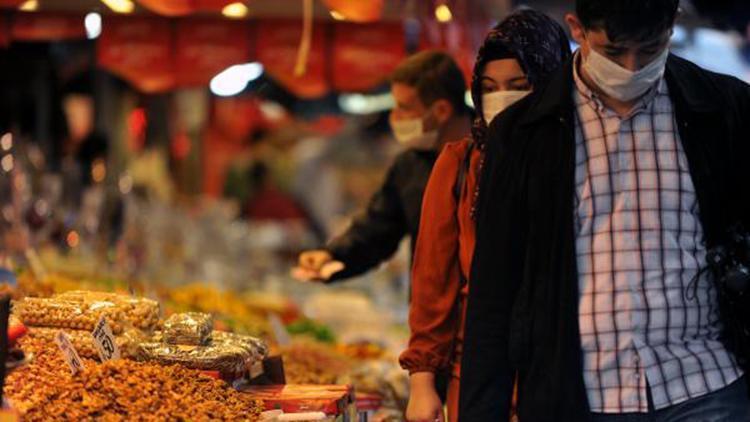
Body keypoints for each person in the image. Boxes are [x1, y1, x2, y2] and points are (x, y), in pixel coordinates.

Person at [459, 0, 750, 421]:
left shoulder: (725, 110)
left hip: (707, 385)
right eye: (614, 52)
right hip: (580, 394)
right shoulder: (522, 133)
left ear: (672, 26)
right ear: (577, 29)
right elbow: (495, 288)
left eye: (649, 50)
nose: (632, 67)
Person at [398, 10, 571, 422]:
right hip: (474, 379)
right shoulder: (461, 163)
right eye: (490, 88)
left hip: (559, 377)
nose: (502, 100)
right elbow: (433, 280)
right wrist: (422, 383)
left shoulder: (577, 162)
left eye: (519, 86)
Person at [292, 51, 472, 283]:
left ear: (441, 111)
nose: (393, 117)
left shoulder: (494, 159)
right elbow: (379, 226)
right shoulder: (410, 164)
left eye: (404, 107)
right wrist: (332, 255)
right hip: (428, 310)